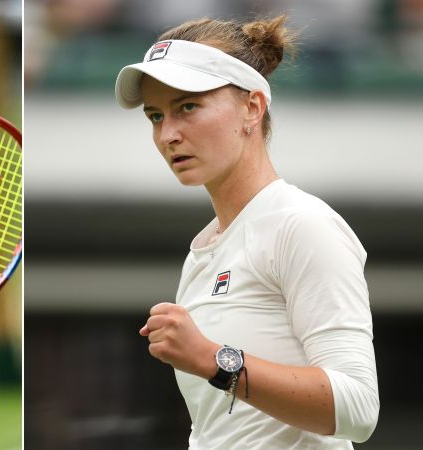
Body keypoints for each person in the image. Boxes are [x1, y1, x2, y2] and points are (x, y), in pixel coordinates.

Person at [115, 16, 380, 449]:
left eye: (188, 107)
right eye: (155, 116)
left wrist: (213, 360)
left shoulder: (302, 224)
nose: (168, 134)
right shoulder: (204, 251)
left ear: (251, 108)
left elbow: (358, 408)